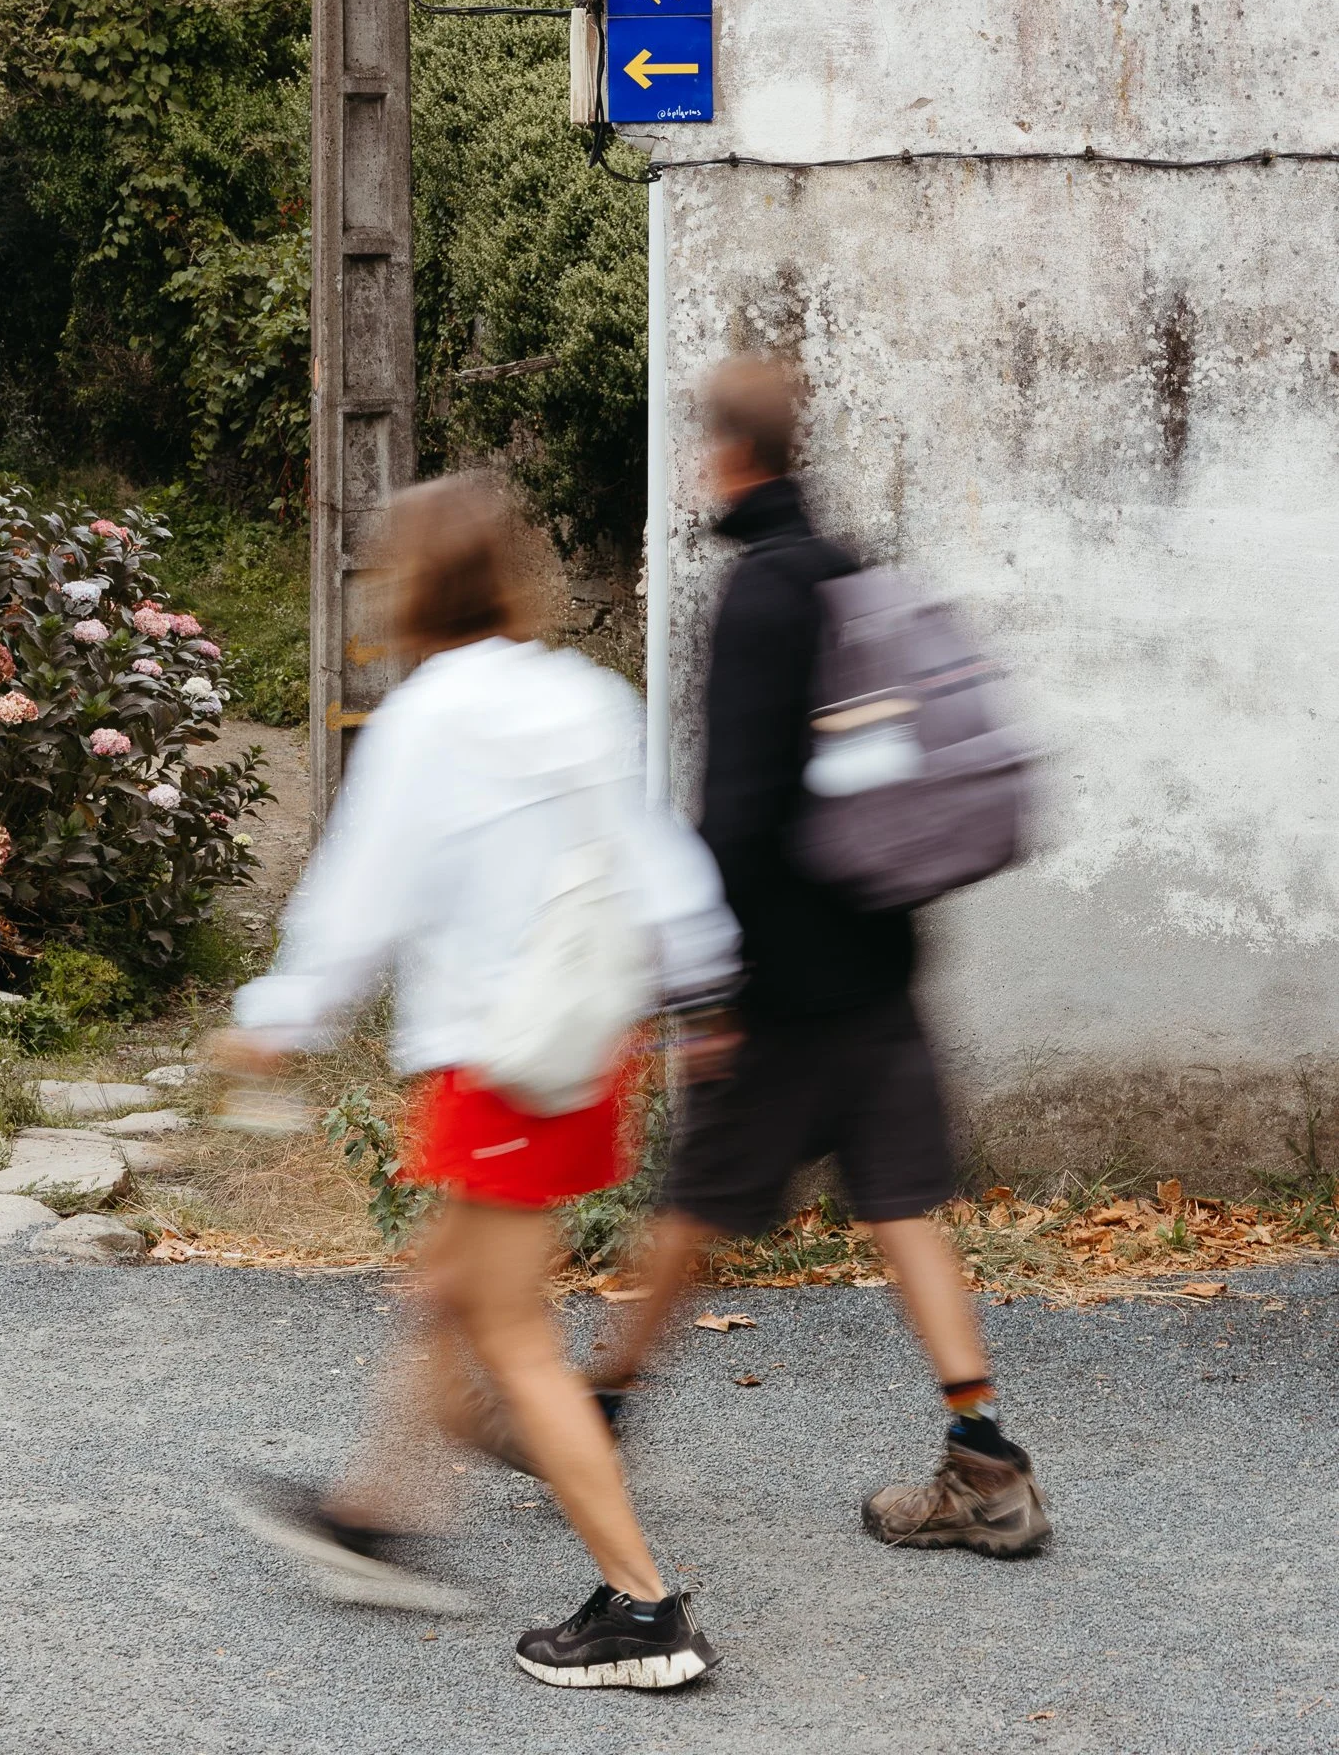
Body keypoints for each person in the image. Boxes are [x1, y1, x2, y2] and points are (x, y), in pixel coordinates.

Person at [212, 475, 738, 1689]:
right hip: (585, 1050)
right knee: (452, 1281)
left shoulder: (430, 717)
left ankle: (643, 1608)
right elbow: (656, 860)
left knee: (506, 1327)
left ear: (410, 587)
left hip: (496, 1060)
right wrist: (711, 989)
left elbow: (361, 894)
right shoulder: (583, 695)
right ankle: (373, 1516)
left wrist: (276, 1019)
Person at [594, 355, 1051, 1558]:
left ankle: (594, 1413)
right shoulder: (851, 571)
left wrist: (714, 996)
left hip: (785, 980)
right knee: (904, 1206)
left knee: (693, 1203)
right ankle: (988, 1462)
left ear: (731, 455)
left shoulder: (760, 593)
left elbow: (736, 812)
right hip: (878, 953)